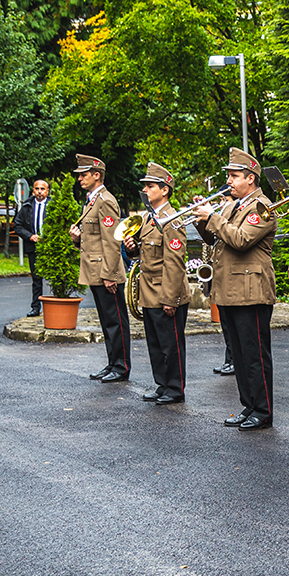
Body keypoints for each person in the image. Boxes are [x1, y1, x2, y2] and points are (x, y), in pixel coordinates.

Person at [196, 148, 277, 430]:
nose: (229, 181)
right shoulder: (233, 206)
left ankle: (263, 410)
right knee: (239, 355)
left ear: (250, 178)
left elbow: (241, 240)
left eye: (234, 176)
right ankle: (249, 404)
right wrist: (202, 220)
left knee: (255, 355)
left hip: (251, 291)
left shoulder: (262, 207)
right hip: (230, 289)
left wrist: (213, 217)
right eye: (229, 175)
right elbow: (215, 238)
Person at [122, 163, 189, 404]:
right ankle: (162, 384)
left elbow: (174, 262)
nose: (145, 190)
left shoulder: (172, 220)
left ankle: (175, 388)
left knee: (171, 344)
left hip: (166, 290)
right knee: (155, 343)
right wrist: (132, 248)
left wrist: (170, 298)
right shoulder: (148, 218)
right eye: (146, 186)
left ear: (165, 190)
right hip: (149, 290)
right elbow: (145, 253)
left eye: (150, 186)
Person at [69, 154, 131, 383]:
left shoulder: (105, 201)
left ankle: (121, 366)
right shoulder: (92, 200)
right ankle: (113, 363)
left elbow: (113, 241)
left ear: (97, 175)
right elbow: (94, 238)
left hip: (106, 272)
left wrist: (110, 274)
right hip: (96, 271)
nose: (79, 178)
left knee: (116, 322)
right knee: (107, 321)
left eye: (83, 175)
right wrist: (77, 239)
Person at [12, 178, 50, 317]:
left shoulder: (53, 205)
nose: (39, 192)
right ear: (33, 190)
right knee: (36, 279)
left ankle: (57, 304)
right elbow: (17, 225)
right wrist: (30, 236)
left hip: (50, 246)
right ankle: (35, 307)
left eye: (42, 189)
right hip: (33, 246)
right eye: (37, 189)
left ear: (47, 191)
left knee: (55, 276)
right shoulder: (27, 206)